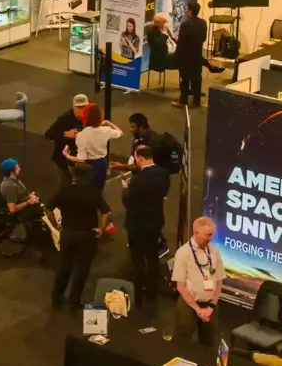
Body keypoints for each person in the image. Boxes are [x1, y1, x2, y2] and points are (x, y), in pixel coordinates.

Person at [48, 160, 110, 309]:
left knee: (64, 267)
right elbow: (106, 212)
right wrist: (101, 229)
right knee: (81, 271)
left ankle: (56, 298)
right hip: (87, 235)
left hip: (68, 234)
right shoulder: (93, 192)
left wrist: (56, 225)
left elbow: (49, 209)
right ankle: (74, 301)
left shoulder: (65, 189)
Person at [121, 143, 170, 301]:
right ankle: (152, 289)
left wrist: (124, 189)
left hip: (137, 225)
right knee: (153, 257)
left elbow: (128, 202)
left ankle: (139, 292)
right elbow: (164, 191)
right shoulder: (163, 173)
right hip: (155, 223)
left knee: (138, 260)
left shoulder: (137, 180)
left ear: (140, 158)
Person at [168, 215, 225, 346]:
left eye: (212, 235)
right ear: (196, 233)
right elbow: (181, 286)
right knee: (182, 343)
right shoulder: (183, 253)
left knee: (209, 345)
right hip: (188, 306)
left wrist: (211, 307)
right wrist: (198, 310)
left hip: (210, 306)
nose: (210, 239)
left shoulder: (215, 252)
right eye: (207, 235)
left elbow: (219, 281)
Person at [67, 104, 125, 194]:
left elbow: (81, 159)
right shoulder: (106, 130)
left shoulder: (82, 135)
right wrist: (108, 122)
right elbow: (119, 133)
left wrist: (67, 156)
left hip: (89, 165)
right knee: (99, 190)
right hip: (102, 163)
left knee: (88, 190)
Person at [44, 93, 89, 188]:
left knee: (81, 184)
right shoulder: (65, 118)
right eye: (80, 107)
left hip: (80, 158)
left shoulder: (88, 118)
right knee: (65, 183)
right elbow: (48, 134)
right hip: (63, 159)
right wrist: (65, 134)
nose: (83, 110)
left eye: (85, 107)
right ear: (74, 107)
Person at [0, 158, 43, 248]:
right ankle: (36, 238)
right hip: (16, 213)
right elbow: (12, 209)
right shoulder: (10, 186)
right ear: (11, 172)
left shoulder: (15, 180)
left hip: (20, 202)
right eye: (17, 168)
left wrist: (29, 196)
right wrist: (28, 202)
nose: (19, 169)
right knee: (38, 212)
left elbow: (21, 193)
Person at [176, 2, 210, 105]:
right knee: (196, 78)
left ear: (190, 11)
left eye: (186, 8)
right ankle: (196, 101)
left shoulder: (185, 25)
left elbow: (181, 42)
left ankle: (183, 101)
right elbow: (203, 38)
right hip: (197, 54)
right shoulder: (203, 23)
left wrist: (177, 55)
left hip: (186, 56)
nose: (185, 10)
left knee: (185, 79)